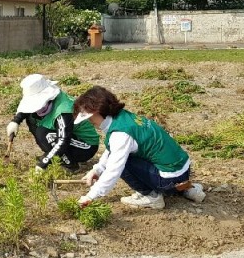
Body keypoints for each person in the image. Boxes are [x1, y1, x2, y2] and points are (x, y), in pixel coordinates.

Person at [73, 86, 205, 210]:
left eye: (90, 117)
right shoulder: (123, 117)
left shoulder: (120, 134)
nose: (89, 121)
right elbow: (113, 148)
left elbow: (114, 170)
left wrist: (91, 196)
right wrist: (97, 170)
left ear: (98, 110)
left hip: (169, 178)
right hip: (183, 170)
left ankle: (151, 197)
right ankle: (186, 188)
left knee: (124, 163)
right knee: (125, 155)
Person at [6, 74, 100, 171]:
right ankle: (55, 155)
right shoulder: (48, 103)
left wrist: (44, 162)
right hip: (71, 138)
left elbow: (63, 140)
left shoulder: (63, 111)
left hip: (86, 145)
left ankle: (69, 164)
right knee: (32, 119)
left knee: (44, 134)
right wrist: (16, 121)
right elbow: (27, 110)